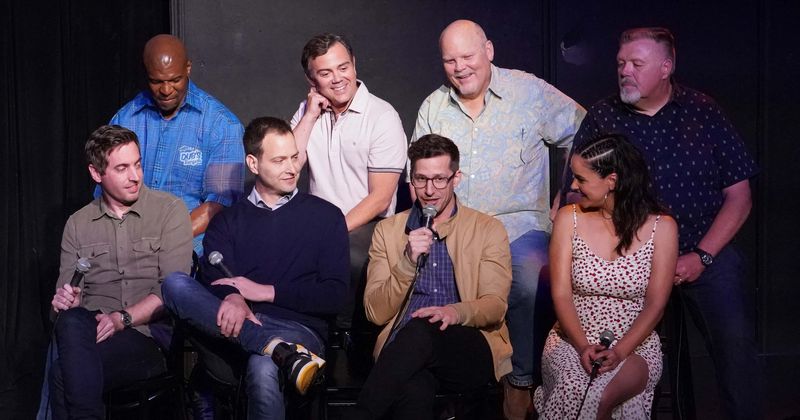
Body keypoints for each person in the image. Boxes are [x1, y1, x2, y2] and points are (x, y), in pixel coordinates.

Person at [560, 27, 761, 419]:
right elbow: (574, 192)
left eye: (637, 64)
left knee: (735, 341)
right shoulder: (603, 116)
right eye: (621, 64)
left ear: (666, 67)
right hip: (628, 260)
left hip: (699, 250)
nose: (625, 72)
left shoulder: (703, 111)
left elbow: (740, 197)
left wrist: (702, 256)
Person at [411, 19, 586, 417]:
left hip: (518, 227)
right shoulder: (434, 106)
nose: (460, 68)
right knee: (438, 283)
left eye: (468, 56)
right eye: (450, 60)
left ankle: (520, 380)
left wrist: (567, 197)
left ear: (488, 50)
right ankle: (459, 386)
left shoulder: (529, 92)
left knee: (526, 280)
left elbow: (586, 131)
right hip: (456, 227)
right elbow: (418, 173)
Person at [161, 117, 349, 419]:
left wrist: (265, 292)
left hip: (299, 331)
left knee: (263, 365)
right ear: (253, 163)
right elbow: (213, 285)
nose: (292, 168)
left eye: (294, 157)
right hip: (233, 330)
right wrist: (234, 297)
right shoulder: (226, 221)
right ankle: (274, 348)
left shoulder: (326, 217)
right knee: (175, 284)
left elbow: (335, 296)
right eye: (279, 160)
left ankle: (277, 349)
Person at [348, 134, 513, 419]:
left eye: (439, 179)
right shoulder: (389, 231)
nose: (429, 190)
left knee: (422, 328)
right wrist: (407, 261)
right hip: (404, 351)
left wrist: (454, 311)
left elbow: (495, 305)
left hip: (467, 344)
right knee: (413, 386)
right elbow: (375, 313)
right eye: (421, 179)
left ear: (455, 178)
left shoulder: (487, 228)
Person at [42, 125, 193, 419]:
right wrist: (64, 302)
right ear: (97, 174)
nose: (135, 176)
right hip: (90, 333)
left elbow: (173, 291)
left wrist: (121, 319)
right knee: (71, 320)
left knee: (63, 374)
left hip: (146, 337)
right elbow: (62, 307)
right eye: (122, 168)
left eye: (137, 165)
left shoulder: (169, 211)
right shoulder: (78, 223)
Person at [534, 134, 677, 418]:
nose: (573, 186)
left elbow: (656, 304)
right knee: (575, 387)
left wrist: (620, 351)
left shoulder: (663, 227)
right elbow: (561, 294)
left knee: (601, 393)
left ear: (611, 181)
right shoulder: (568, 218)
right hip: (572, 337)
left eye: (581, 179)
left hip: (635, 343)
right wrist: (582, 345)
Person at [290, 33, 407, 330]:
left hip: (369, 224)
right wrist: (309, 117)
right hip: (318, 223)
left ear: (354, 64)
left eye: (343, 67)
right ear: (311, 79)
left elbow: (380, 198)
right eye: (325, 73)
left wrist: (330, 233)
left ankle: (343, 346)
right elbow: (288, 169)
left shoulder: (382, 116)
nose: (338, 78)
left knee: (344, 256)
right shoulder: (306, 114)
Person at [106, 34, 245, 256]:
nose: (167, 90)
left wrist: (163, 242)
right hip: (127, 246)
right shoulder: (125, 119)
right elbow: (105, 190)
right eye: (157, 81)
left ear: (188, 69)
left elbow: (219, 202)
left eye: (175, 80)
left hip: (189, 249)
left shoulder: (222, 124)